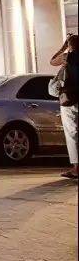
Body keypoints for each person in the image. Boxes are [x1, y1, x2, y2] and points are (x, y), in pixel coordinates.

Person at [50, 34, 78, 179]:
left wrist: (63, 48)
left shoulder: (67, 57)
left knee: (72, 133)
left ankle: (76, 168)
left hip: (70, 98)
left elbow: (52, 61)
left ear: (70, 45)